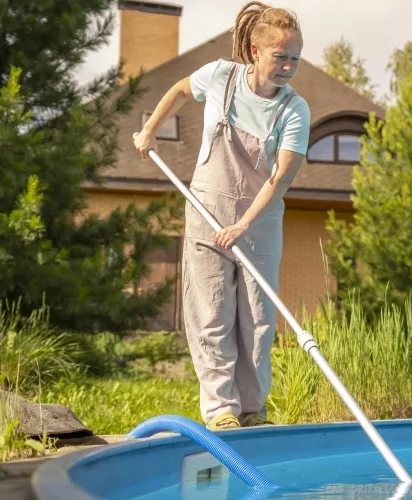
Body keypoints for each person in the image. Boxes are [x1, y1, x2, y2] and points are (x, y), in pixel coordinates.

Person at [133, 2, 311, 430]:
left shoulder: (295, 110)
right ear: (254, 51)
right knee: (210, 312)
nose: (288, 66)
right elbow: (178, 90)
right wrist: (151, 128)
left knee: (257, 321)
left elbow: (281, 177)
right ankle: (221, 411)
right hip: (206, 213)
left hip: (259, 221)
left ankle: (253, 410)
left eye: (294, 58)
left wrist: (244, 224)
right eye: (280, 56)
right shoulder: (219, 76)